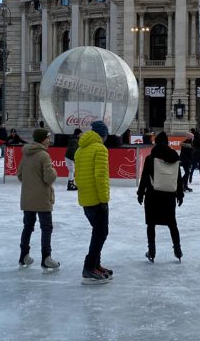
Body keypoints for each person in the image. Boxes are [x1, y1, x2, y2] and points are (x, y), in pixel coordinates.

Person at [75, 120, 113, 285]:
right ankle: (89, 267)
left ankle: (96, 265)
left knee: (98, 232)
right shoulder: (100, 149)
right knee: (100, 233)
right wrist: (104, 199)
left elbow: (77, 176)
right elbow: (100, 177)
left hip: (85, 199)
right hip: (97, 200)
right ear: (102, 135)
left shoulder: (80, 150)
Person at [137, 132, 184, 263]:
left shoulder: (151, 158)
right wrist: (180, 194)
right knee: (172, 224)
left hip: (153, 195)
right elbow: (178, 178)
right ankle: (178, 250)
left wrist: (140, 193)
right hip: (169, 195)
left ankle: (151, 251)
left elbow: (145, 177)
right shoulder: (174, 158)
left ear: (156, 142)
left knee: (151, 224)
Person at [17, 128, 60, 271]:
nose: (49, 140)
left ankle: (24, 255)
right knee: (46, 227)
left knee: (28, 227)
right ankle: (46, 257)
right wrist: (54, 171)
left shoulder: (26, 153)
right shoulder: (43, 155)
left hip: (28, 197)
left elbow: (19, 174)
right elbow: (49, 177)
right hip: (42, 197)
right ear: (42, 139)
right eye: (47, 137)